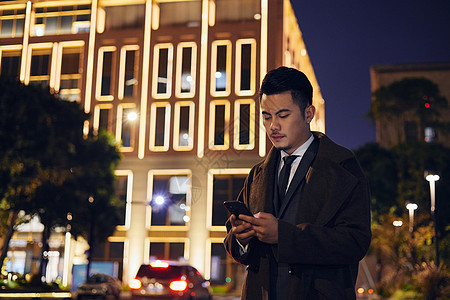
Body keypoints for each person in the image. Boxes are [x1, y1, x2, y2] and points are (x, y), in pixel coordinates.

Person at [224, 66, 371, 300]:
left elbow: (355, 242)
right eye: (266, 116)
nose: (273, 126)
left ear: (308, 114)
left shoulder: (342, 167)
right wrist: (240, 238)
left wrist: (284, 235)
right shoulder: (257, 174)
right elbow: (233, 243)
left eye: (283, 115)